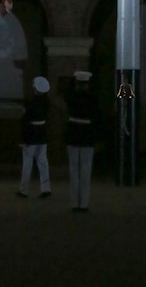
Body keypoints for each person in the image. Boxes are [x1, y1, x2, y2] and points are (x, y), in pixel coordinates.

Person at [65, 70, 97, 212]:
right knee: (86, 169)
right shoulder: (92, 98)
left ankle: (74, 203)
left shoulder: (70, 97)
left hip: (73, 134)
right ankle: (84, 203)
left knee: (74, 170)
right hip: (87, 135)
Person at [17, 75, 51, 198]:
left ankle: (24, 189)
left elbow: (25, 120)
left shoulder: (30, 102)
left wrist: (23, 137)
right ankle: (46, 188)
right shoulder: (46, 102)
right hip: (42, 133)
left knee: (27, 162)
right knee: (43, 161)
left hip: (31, 134)